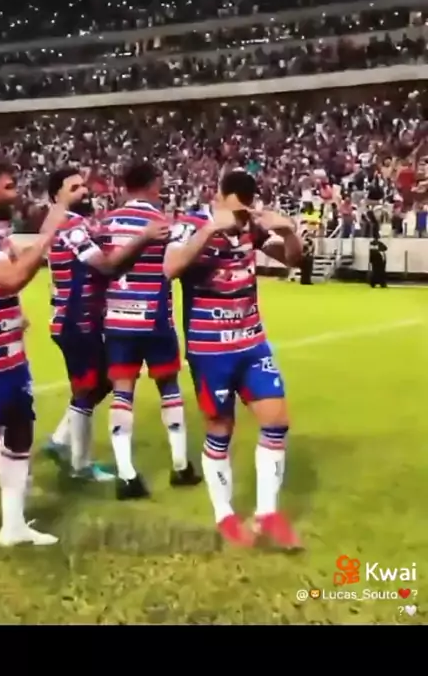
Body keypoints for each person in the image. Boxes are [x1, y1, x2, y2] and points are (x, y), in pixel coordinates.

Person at [163, 171, 303, 548]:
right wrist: (211, 229)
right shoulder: (191, 224)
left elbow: (293, 261)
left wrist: (288, 232)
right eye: (237, 206)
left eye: (247, 206)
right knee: (220, 430)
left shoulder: (250, 227)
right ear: (219, 197)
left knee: (277, 422)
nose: (242, 215)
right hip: (210, 349)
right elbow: (171, 268)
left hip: (252, 343)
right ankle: (224, 514)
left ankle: (267, 514)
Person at [0, 157, 78, 546]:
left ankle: (14, 526)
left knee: (20, 434)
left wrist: (14, 316)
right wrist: (52, 222)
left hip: (9, 355)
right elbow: (12, 277)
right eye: (7, 180)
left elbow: (10, 277)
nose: (14, 185)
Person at [43, 167, 169, 479]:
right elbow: (106, 266)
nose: (84, 191)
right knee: (88, 389)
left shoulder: (74, 223)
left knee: (100, 383)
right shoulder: (70, 226)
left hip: (82, 319)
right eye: (74, 188)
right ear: (56, 196)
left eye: (83, 186)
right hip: (75, 322)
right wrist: (144, 237)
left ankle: (61, 441)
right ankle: (79, 464)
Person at [101, 161, 201, 500]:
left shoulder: (107, 222)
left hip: (117, 319)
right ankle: (180, 465)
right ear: (153, 184)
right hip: (154, 318)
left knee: (122, 392)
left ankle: (126, 474)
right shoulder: (162, 224)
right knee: (169, 387)